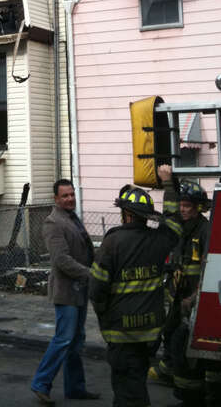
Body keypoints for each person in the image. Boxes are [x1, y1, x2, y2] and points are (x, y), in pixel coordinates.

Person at [89, 165, 182, 407]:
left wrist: (104, 317)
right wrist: (169, 184)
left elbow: (96, 290)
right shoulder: (159, 241)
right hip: (150, 335)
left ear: (126, 214)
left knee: (128, 394)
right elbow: (174, 222)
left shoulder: (112, 243)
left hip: (121, 335)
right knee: (137, 382)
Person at [30, 179, 100, 404]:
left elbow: (84, 250)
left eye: (72, 194)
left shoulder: (72, 218)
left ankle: (75, 389)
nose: (70, 199)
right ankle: (41, 384)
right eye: (65, 196)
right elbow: (61, 260)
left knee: (76, 341)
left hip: (79, 290)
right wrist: (91, 274)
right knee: (64, 339)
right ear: (56, 199)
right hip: (66, 291)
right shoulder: (53, 222)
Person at [162, 181, 221, 407]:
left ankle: (205, 398)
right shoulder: (181, 228)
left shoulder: (205, 230)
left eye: (187, 205)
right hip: (180, 301)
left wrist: (195, 298)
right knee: (177, 344)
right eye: (181, 204)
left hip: (198, 302)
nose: (182, 209)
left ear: (198, 207)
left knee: (199, 351)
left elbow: (210, 267)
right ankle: (193, 395)